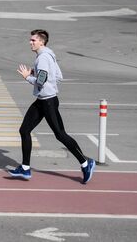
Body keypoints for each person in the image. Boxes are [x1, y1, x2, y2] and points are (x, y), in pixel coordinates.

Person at [8, 29, 95, 184]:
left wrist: (28, 77)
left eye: (33, 40)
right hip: (43, 101)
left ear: (42, 41)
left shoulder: (43, 57)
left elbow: (41, 81)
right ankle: (25, 168)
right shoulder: (49, 55)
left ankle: (86, 163)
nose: (30, 42)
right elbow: (58, 76)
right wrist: (37, 72)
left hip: (48, 102)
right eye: (30, 40)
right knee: (24, 130)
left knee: (60, 135)